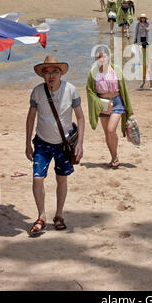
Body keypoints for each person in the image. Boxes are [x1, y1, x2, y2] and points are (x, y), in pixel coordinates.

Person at [25, 55, 85, 236]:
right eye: (47, 72)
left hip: (63, 145)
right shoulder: (37, 92)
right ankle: (41, 216)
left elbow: (81, 117)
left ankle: (58, 215)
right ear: (42, 75)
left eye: (55, 71)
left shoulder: (71, 90)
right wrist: (27, 143)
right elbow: (31, 118)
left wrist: (80, 143)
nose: (51, 75)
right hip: (42, 143)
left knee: (61, 179)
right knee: (37, 179)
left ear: (61, 73)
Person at [86, 46, 133, 168]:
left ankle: (115, 156)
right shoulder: (93, 73)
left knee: (111, 129)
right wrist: (97, 102)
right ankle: (114, 157)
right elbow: (90, 90)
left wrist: (130, 109)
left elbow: (124, 90)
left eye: (103, 56)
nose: (101, 59)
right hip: (102, 104)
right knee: (107, 133)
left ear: (108, 57)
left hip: (117, 102)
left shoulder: (116, 70)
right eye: (98, 57)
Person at [134, 13, 152, 90]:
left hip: (145, 39)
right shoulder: (138, 24)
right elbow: (136, 32)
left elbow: (148, 30)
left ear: (145, 19)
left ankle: (149, 84)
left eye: (144, 18)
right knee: (139, 50)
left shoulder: (147, 24)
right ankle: (143, 82)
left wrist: (144, 26)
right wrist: (135, 39)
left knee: (149, 68)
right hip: (139, 39)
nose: (143, 19)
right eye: (141, 18)